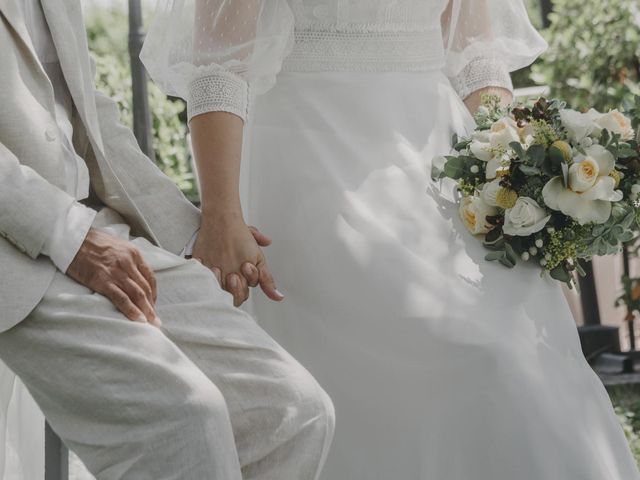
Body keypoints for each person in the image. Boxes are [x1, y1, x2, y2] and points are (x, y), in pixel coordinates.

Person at [142, 0, 640, 478]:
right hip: (311, 158)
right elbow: (220, 67)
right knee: (414, 363)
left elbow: (475, 56)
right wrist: (221, 215)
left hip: (442, 165)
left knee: (521, 352)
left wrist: (513, 166)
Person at [0, 0, 335, 478]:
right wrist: (69, 238)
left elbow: (88, 113)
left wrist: (199, 232)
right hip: (16, 251)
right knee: (187, 421)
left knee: (293, 411)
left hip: (96, 227)